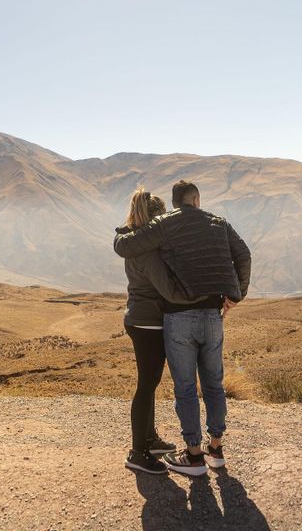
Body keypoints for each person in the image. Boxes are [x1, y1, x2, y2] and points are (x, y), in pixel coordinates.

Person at [113, 179, 251, 477]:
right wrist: (224, 295)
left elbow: (125, 246)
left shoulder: (152, 234)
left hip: (163, 318)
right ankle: (203, 450)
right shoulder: (212, 225)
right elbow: (242, 255)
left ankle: (177, 449)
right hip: (182, 318)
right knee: (202, 384)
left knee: (173, 386)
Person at [117, 188, 197, 475]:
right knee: (146, 386)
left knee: (149, 384)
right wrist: (197, 298)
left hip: (140, 319)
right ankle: (138, 452)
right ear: (157, 219)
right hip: (149, 322)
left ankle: (149, 440)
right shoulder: (149, 252)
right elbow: (168, 291)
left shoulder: (134, 243)